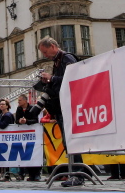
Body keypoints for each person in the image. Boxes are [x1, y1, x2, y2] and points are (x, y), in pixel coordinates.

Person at [37, 36, 85, 187]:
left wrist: (52, 78)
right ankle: (77, 172)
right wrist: (49, 81)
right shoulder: (58, 61)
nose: (44, 55)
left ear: (52, 46)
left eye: (45, 52)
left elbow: (73, 78)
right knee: (67, 141)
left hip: (69, 104)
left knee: (71, 140)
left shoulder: (67, 58)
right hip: (61, 105)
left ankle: (78, 174)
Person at [15, 95, 41, 181]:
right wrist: (19, 121)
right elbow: (16, 120)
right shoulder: (19, 109)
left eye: (20, 100)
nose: (18, 102)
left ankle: (36, 174)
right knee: (26, 154)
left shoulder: (32, 108)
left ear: (25, 101)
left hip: (33, 134)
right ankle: (30, 174)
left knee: (34, 153)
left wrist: (27, 121)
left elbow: (35, 120)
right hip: (23, 135)